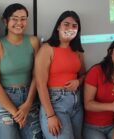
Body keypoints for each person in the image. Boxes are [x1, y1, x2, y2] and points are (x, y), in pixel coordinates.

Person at [0, 3, 43, 138]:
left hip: (29, 99)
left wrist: (27, 105)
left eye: (23, 19)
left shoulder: (33, 41)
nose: (19, 22)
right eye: (14, 18)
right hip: (5, 101)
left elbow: (37, 75)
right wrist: (15, 112)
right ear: (5, 21)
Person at [35, 11, 86, 139]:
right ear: (58, 27)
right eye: (66, 24)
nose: (70, 28)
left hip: (76, 105)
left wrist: (78, 82)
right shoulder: (47, 49)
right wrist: (51, 116)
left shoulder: (77, 51)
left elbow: (84, 75)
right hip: (55, 104)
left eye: (74, 26)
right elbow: (40, 84)